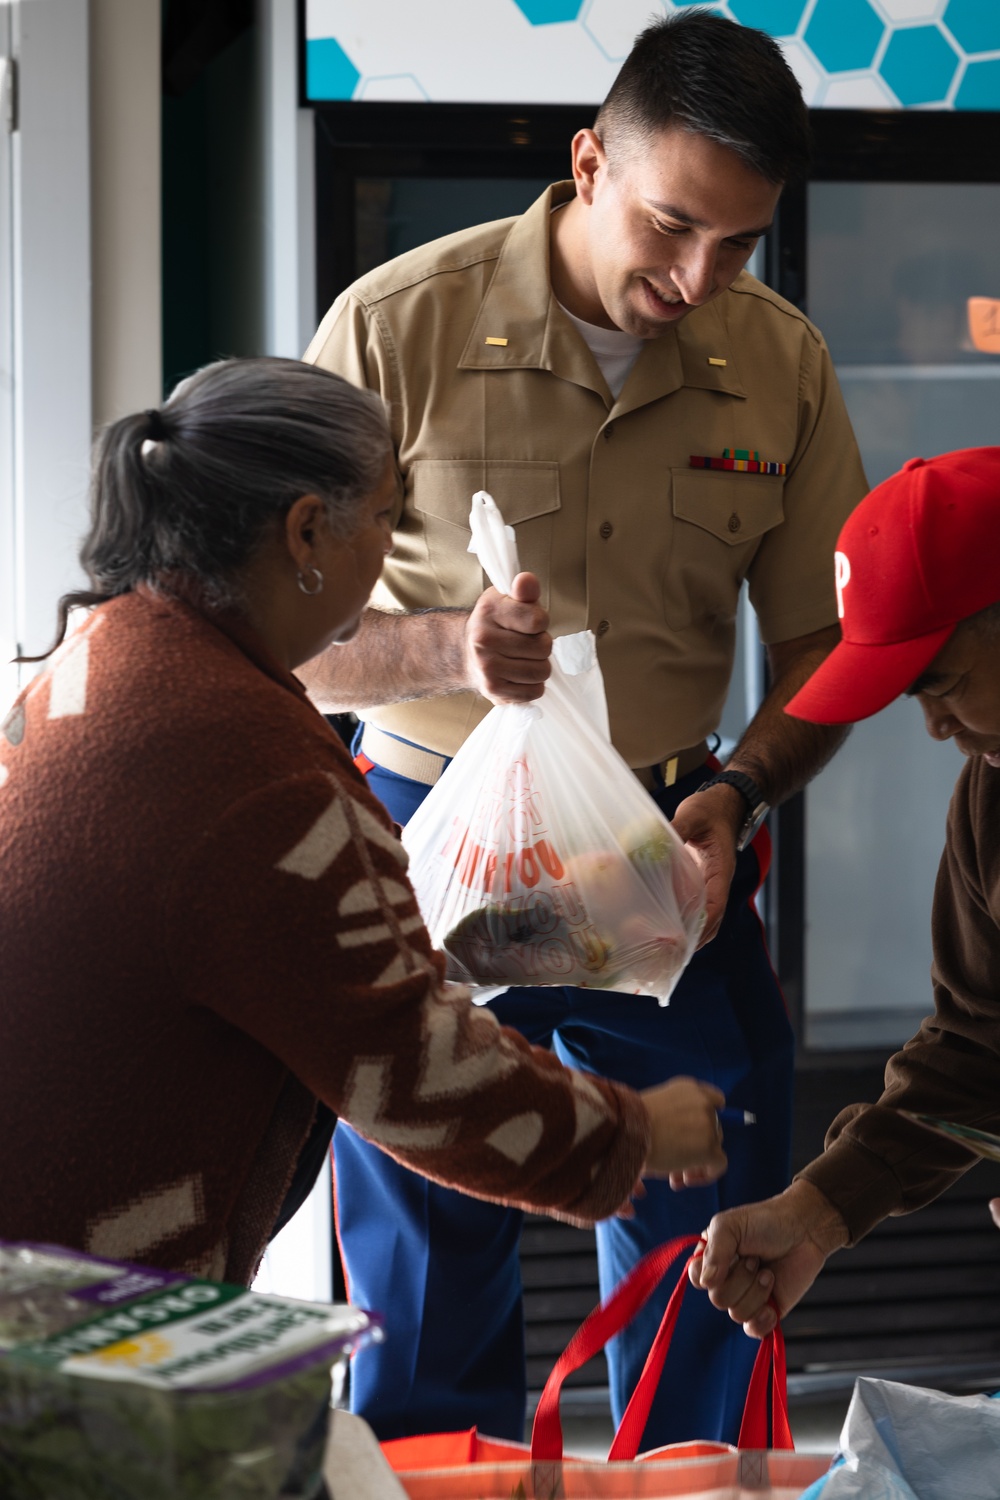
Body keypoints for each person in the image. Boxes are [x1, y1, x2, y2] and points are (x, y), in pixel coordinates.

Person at [300, 11, 867, 1447]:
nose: (697, 279)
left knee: (709, 1235)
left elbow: (826, 645)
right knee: (429, 1243)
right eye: (673, 226)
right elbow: (287, 644)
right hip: (430, 843)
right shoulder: (395, 326)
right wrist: (446, 646)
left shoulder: (777, 362)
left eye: (737, 245)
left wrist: (742, 791)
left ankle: (683, 1479)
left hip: (671, 845)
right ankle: (441, 1470)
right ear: (587, 162)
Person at [0, 356, 730, 1289]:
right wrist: (629, 1133)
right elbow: (411, 1066)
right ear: (307, 531)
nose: (388, 549)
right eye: (386, 517)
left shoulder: (109, 649)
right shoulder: (257, 771)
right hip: (71, 1302)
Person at [691, 446, 1000, 1336]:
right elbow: (983, 1044)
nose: (937, 727)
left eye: (942, 684)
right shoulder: (988, 801)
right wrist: (820, 1210)